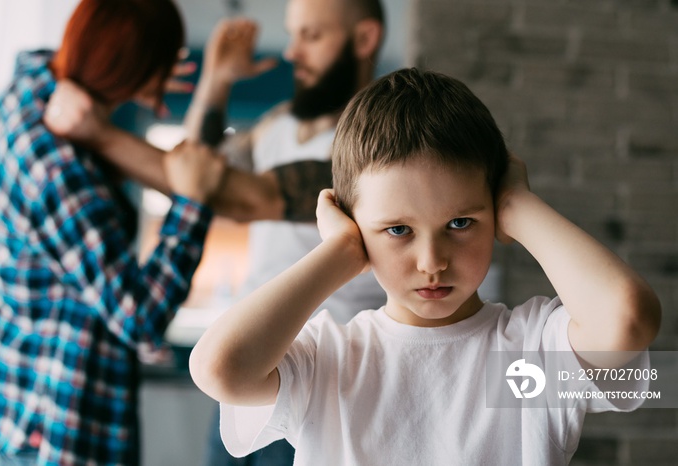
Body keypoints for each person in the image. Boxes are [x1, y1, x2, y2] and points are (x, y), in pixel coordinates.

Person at [188, 68, 662, 465]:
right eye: (398, 230)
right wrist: (340, 254)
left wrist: (519, 206)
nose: (432, 261)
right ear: (354, 226)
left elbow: (628, 318)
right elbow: (218, 370)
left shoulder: (531, 354)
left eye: (460, 222)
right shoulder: (329, 359)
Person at [46, 1, 388, 464]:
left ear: (364, 39)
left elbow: (239, 197)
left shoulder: (379, 145)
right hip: (246, 364)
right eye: (293, 35)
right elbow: (193, 168)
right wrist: (217, 79)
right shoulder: (278, 123)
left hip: (324, 380)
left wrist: (97, 133)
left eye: (311, 36)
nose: (292, 52)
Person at [0, 0, 226, 464]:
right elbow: (139, 317)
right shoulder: (55, 165)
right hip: (58, 423)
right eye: (165, 60)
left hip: (13, 392)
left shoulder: (26, 91)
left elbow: (43, 63)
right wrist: (194, 205)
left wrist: (136, 75)